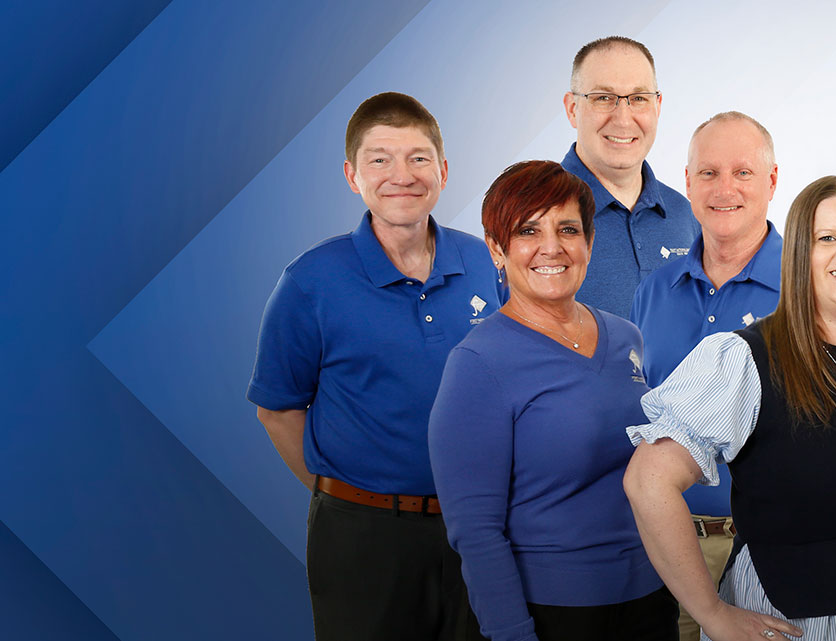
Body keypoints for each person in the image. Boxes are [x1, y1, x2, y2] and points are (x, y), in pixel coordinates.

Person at [623, 176, 836, 641]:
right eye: (827, 238)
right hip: (793, 623)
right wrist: (711, 613)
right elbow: (648, 481)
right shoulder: (743, 361)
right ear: (798, 256)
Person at [247, 92, 496, 641]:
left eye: (418, 157)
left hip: (478, 527)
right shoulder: (310, 281)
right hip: (362, 536)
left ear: (444, 170)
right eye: (379, 159)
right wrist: (343, 495)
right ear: (351, 174)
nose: (401, 175)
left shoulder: (484, 261)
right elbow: (277, 409)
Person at [428, 160, 672, 641]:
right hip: (556, 612)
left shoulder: (626, 336)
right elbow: (475, 533)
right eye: (527, 231)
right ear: (497, 250)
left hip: (652, 596)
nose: (551, 247)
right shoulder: (478, 363)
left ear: (588, 242)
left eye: (567, 229)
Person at [629, 111, 785, 641]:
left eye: (742, 172)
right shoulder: (654, 290)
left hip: (766, 548)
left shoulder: (808, 287)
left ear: (772, 181)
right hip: (660, 544)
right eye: (708, 173)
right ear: (688, 182)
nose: (724, 189)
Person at [560, 36, 699, 317]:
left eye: (638, 99)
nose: (623, 119)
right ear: (573, 109)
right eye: (603, 98)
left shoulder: (684, 214)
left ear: (657, 106)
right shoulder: (533, 212)